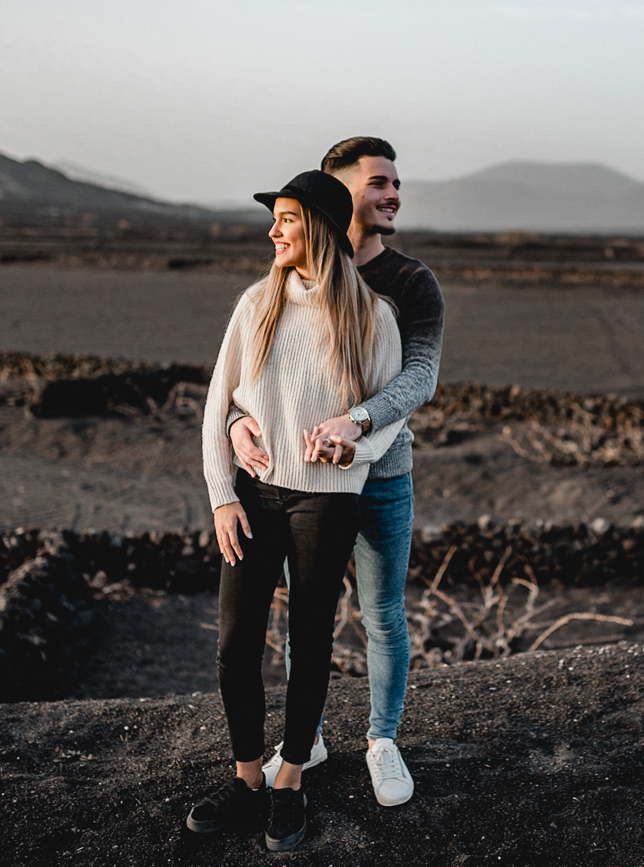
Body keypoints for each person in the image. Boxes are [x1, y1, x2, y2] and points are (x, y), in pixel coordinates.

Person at [186, 169, 406, 852]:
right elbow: (218, 404)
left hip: (328, 497)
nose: (274, 230)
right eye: (274, 218)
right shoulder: (256, 302)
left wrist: (351, 449)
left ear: (316, 226)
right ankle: (247, 776)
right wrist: (222, 494)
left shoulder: (373, 316)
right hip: (254, 494)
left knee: (310, 638)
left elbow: (388, 418)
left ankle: (288, 781)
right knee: (235, 642)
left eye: (285, 218)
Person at [227, 136, 444, 807]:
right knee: (305, 618)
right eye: (379, 182)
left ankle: (382, 740)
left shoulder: (409, 283)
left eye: (396, 184)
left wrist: (358, 421)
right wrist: (239, 422)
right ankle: (307, 738)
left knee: (380, 613)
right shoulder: (286, 280)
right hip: (302, 483)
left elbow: (421, 375)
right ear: (337, 191)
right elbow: (255, 374)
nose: (393, 195)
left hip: (381, 477)